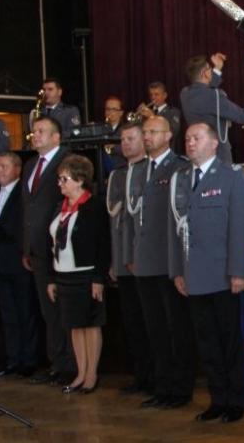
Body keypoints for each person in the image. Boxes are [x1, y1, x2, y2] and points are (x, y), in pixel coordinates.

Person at [168, 122, 244, 423]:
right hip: (194, 277)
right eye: (188, 139)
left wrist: (238, 272)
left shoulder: (230, 177)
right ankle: (218, 399)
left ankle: (236, 401)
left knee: (231, 342)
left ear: (214, 144)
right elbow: (176, 230)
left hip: (224, 276)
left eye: (197, 138)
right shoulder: (181, 179)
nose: (190, 143)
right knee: (207, 343)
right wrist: (177, 270)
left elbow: (241, 226)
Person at [125, 115, 194, 410]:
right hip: (145, 261)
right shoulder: (139, 170)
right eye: (145, 132)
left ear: (168, 135)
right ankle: (162, 385)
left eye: (153, 131)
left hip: (168, 261)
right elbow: (133, 217)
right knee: (154, 328)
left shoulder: (179, 167)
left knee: (175, 328)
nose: (147, 136)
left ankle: (180, 388)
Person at [46, 155, 109, 394]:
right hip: (64, 274)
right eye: (60, 179)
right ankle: (80, 372)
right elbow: (51, 243)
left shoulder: (93, 206)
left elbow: (101, 245)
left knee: (90, 325)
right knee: (73, 325)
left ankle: (92, 373)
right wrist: (52, 278)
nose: (60, 184)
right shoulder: (60, 207)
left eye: (65, 179)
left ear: (80, 180)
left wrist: (98, 277)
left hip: (86, 274)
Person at [21, 116, 77, 385]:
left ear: (57, 137)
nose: (36, 135)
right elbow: (27, 210)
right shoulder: (31, 164)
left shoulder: (67, 161)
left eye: (42, 131)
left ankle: (71, 365)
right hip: (37, 250)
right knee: (48, 311)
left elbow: (65, 203)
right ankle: (57, 363)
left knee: (63, 309)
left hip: (58, 247)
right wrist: (27, 247)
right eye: (34, 131)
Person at [106, 123, 152, 395]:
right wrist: (116, 260)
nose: (125, 143)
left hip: (145, 262)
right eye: (122, 139)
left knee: (151, 324)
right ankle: (141, 375)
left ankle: (157, 376)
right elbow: (115, 224)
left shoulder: (151, 170)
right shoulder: (117, 175)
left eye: (131, 138)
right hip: (123, 262)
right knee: (132, 324)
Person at [0, 152, 40, 378]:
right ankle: (12, 359)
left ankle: (28, 360)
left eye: (4, 166)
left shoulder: (23, 194)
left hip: (19, 261)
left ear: (17, 169)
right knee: (7, 313)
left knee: (25, 311)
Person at [179, 53, 244, 164]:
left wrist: (217, 69)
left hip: (197, 153)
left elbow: (205, 88)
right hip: (217, 155)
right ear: (203, 73)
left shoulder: (185, 93)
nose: (211, 71)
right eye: (209, 69)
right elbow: (243, 116)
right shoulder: (213, 96)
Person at [138, 82, 182, 150]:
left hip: (165, 150)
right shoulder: (147, 112)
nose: (153, 97)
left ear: (164, 95)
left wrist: (152, 116)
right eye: (151, 95)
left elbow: (173, 132)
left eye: (156, 94)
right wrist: (139, 118)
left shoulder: (173, 112)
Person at [103, 96, 126, 172]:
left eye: (114, 109)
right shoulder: (100, 129)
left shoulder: (126, 129)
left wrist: (113, 148)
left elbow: (130, 148)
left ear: (121, 113)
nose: (110, 112)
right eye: (108, 109)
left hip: (121, 169)